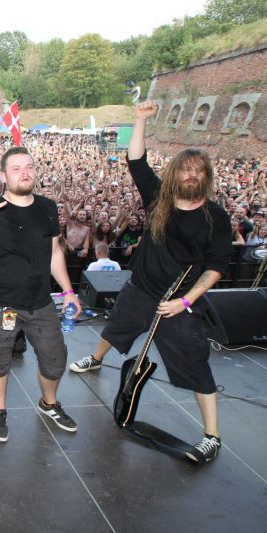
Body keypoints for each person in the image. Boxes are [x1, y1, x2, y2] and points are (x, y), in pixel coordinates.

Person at [68, 101, 232, 464]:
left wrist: (186, 301)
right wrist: (139, 120)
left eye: (198, 170)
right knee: (116, 328)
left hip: (178, 302)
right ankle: (96, 359)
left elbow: (217, 267)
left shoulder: (216, 218)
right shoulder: (159, 198)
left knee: (196, 364)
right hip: (139, 289)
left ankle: (212, 435)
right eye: (185, 169)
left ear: (206, 176)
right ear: (174, 173)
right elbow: (137, 161)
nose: (191, 175)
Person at [0, 146, 81, 443]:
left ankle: (49, 404)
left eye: (29, 167)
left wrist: (69, 291)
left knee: (55, 360)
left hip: (41, 302)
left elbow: (54, 253)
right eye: (17, 168)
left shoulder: (47, 207)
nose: (25, 173)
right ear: (3, 175)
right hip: (2, 304)